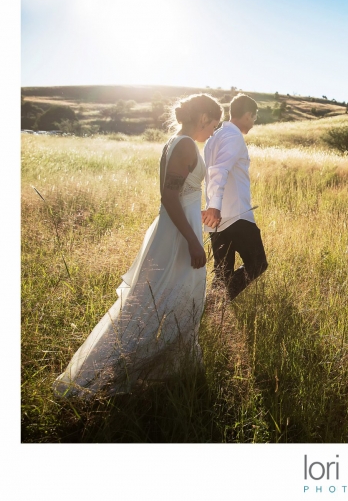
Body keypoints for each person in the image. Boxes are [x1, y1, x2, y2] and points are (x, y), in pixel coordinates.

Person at [52, 94, 223, 399]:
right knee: (157, 302)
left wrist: (199, 213)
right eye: (213, 124)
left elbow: (181, 194)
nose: (213, 131)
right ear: (202, 117)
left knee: (169, 300)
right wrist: (193, 241)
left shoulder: (177, 142)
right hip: (177, 238)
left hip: (179, 228)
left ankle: (170, 370)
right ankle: (100, 375)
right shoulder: (183, 144)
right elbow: (169, 197)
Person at [202, 93, 268, 302]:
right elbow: (219, 171)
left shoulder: (214, 136)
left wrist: (213, 207)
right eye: (254, 117)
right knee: (257, 263)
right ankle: (219, 303)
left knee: (222, 274)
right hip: (234, 215)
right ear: (248, 114)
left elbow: (213, 172)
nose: (253, 122)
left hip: (217, 219)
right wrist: (214, 206)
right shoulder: (233, 137)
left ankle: (214, 309)